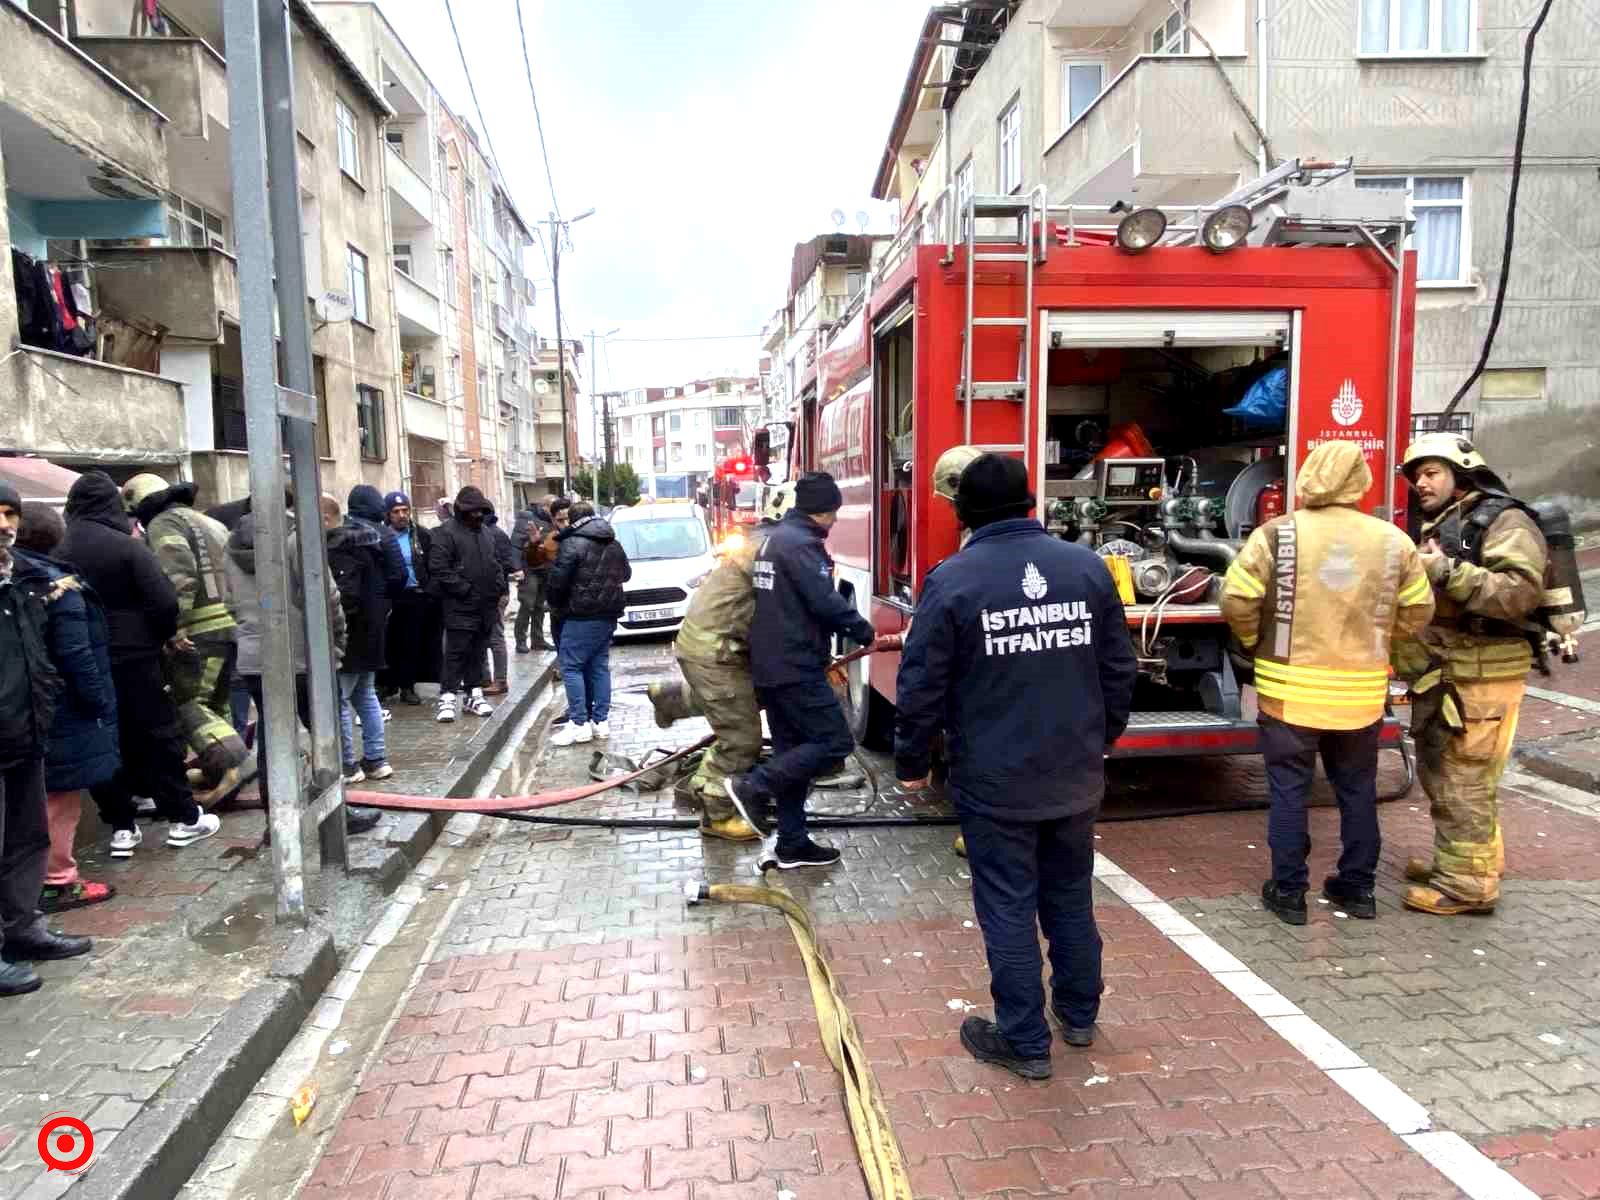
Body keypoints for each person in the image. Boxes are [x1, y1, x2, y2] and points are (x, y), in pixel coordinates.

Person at [894, 454, 1137, 1079]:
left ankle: (1026, 1040)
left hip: (995, 779)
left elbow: (920, 684)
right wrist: (1103, 735)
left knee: (1006, 904)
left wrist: (912, 763)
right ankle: (1079, 1016)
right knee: (1069, 895)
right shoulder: (1087, 569)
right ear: (1031, 503)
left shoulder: (952, 580)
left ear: (962, 510)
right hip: (1075, 772)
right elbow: (1118, 666)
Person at [1220, 441, 1435, 925]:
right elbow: (1420, 609)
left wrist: (1257, 639)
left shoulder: (1278, 536)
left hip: (1288, 695)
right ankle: (1358, 890)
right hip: (1359, 695)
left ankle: (1289, 892)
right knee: (1357, 790)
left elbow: (1236, 598)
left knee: (1289, 791)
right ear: (1361, 481)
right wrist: (1381, 638)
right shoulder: (1392, 540)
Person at [1392, 433, 1548, 916]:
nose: (1421, 483)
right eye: (1416, 476)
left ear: (1462, 475)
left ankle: (1466, 886)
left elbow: (1519, 592)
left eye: (1432, 472)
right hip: (1454, 673)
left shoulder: (1504, 520)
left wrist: (1444, 572)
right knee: (1451, 774)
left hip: (1481, 677)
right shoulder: (1451, 523)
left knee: (1463, 779)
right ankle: (1466, 861)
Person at [725, 472, 885, 870]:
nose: (835, 521)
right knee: (834, 744)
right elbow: (825, 602)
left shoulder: (776, 540)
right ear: (826, 510)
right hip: (795, 666)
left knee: (793, 753)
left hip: (773, 664)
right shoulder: (800, 546)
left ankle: (792, 842)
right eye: (834, 513)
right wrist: (864, 631)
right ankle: (753, 786)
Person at [62, 472, 219, 854]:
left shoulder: (58, 551)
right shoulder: (128, 547)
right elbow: (164, 601)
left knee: (104, 739)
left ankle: (121, 827)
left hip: (86, 660)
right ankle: (183, 818)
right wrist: (163, 636)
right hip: (136, 656)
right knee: (158, 733)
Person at [648, 483, 798, 842]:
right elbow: (781, 614)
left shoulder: (760, 543)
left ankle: (674, 698)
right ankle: (716, 812)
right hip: (716, 653)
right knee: (741, 739)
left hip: (708, 647)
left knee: (748, 699)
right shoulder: (770, 551)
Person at [228, 500, 380, 837]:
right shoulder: (297, 538)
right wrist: (337, 643)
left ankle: (276, 823)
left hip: (255, 658)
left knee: (272, 737)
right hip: (300, 655)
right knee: (324, 732)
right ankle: (337, 812)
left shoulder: (233, 544)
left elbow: (229, 600)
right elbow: (326, 595)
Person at [0, 484, 93, 997]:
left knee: (27, 837)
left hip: (25, 731)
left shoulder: (22, 583)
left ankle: (23, 928)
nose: (5, 524)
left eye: (10, 514)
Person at [15, 506, 119, 912]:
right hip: (63, 706)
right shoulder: (59, 586)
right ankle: (58, 880)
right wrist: (99, 701)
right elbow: (77, 654)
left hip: (27, 703)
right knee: (60, 798)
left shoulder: (18, 579)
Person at [121, 474, 248, 797]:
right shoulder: (207, 522)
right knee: (216, 701)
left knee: (187, 701)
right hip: (230, 626)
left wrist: (174, 628)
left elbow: (178, 576)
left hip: (198, 630)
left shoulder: (165, 524)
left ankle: (233, 762)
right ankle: (219, 770)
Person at [547, 502, 631, 746]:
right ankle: (601, 722)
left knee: (571, 667)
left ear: (573, 521)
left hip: (579, 615)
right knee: (599, 667)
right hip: (609, 614)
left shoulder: (571, 544)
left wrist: (554, 605)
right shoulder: (613, 543)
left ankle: (579, 724)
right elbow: (626, 574)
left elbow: (557, 584)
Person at [326, 491, 394, 783]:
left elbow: (345, 596)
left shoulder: (340, 549)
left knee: (339, 699)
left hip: (351, 637)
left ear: (327, 518)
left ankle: (347, 765)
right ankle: (376, 759)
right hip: (372, 633)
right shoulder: (370, 544)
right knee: (365, 696)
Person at [427, 486, 506, 723]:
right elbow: (440, 569)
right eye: (472, 511)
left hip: (486, 605)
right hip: (460, 605)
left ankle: (474, 693)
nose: (477, 516)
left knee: (478, 651)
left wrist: (499, 586)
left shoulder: (486, 533)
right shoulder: (444, 533)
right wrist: (465, 590)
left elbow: (495, 563)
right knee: (456, 652)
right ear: (462, 511)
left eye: (480, 511)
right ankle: (448, 695)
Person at [377, 491, 438, 706]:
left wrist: (428, 590)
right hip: (391, 598)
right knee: (388, 643)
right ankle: (387, 684)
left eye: (405, 510)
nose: (402, 515)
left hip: (416, 596)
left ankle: (407, 686)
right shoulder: (381, 536)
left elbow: (433, 565)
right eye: (396, 512)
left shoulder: (422, 536)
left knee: (411, 644)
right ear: (388, 514)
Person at [483, 507, 522, 696]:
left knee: (495, 636)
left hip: (495, 594)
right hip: (488, 594)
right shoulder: (486, 532)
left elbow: (507, 563)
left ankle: (499, 680)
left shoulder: (493, 534)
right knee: (482, 638)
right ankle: (485, 678)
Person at [512, 501, 555, 653]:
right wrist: (517, 568)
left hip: (545, 569)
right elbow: (516, 544)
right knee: (527, 605)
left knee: (539, 606)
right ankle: (520, 641)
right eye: (552, 509)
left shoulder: (553, 520)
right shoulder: (526, 518)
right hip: (528, 569)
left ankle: (538, 640)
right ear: (545, 506)